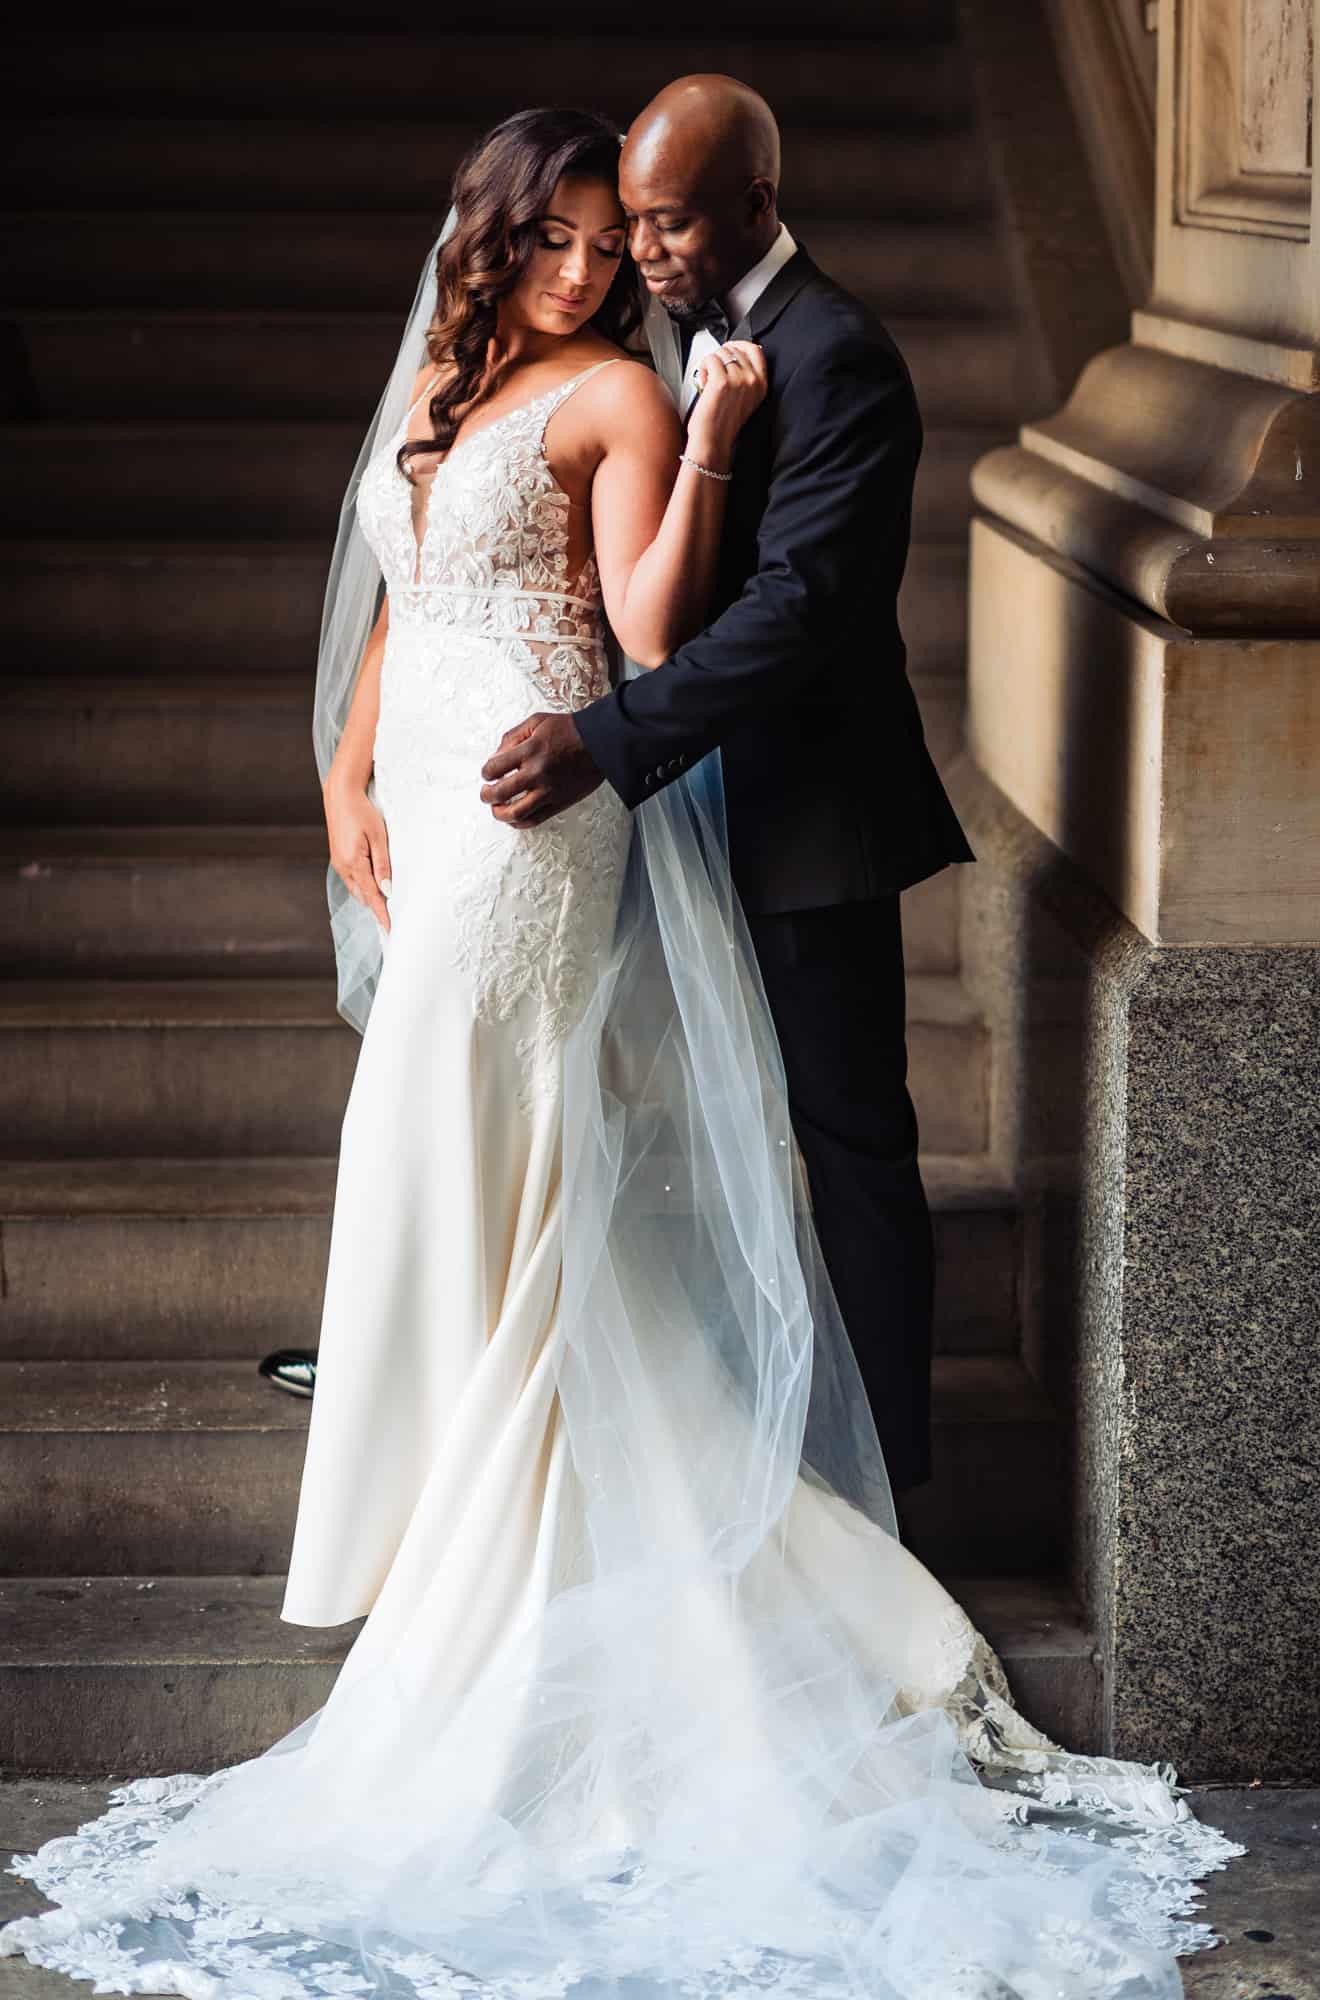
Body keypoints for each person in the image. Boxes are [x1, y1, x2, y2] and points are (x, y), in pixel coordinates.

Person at [1, 104, 1242, 2000]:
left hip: (544, 804)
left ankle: (535, 1513)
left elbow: (671, 621)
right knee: (457, 1156)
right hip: (433, 779)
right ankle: (451, 1493)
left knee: (545, 1140)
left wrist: (716, 457)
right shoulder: (447, 364)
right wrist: (343, 770)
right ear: (492, 236)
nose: (602, 270)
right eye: (571, 240)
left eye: (629, 237)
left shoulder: (677, 389)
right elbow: (406, 591)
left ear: (736, 208)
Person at [480, 77, 973, 1497]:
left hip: (807, 820)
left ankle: (891, 1491)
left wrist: (605, 734)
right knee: (664, 1129)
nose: (640, 251)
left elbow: (795, 608)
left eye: (671, 222)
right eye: (629, 221)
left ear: (759, 202)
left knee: (852, 1149)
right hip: (679, 817)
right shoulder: (671, 322)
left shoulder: (843, 356)